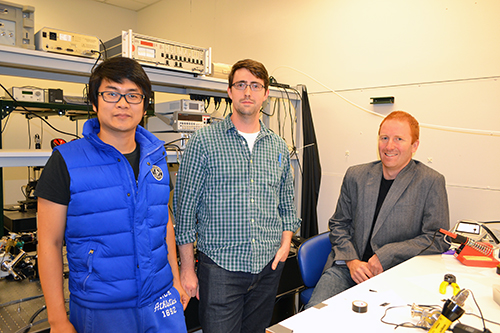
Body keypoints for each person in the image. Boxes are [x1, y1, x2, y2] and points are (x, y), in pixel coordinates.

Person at [36, 57, 188, 333]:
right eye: (111, 94)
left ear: (144, 105)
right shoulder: (65, 161)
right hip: (103, 310)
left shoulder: (157, 157)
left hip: (162, 300)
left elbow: (163, 223)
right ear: (94, 103)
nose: (122, 103)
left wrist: (175, 281)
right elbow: (49, 243)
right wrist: (57, 320)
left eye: (133, 95)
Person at [173, 59, 301, 333]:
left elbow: (286, 203)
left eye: (255, 86)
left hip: (268, 266)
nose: (247, 92)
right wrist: (187, 268)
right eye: (241, 85)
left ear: (265, 94)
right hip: (220, 268)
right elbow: (184, 209)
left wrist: (284, 244)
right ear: (229, 92)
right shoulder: (204, 142)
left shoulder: (277, 146)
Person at [306, 111, 450, 309]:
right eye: (384, 138)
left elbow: (438, 237)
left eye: (399, 139)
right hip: (347, 269)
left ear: (414, 146)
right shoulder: (356, 175)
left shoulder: (430, 182)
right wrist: (351, 261)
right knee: (312, 316)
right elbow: (339, 224)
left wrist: (388, 254)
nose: (389, 146)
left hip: (396, 273)